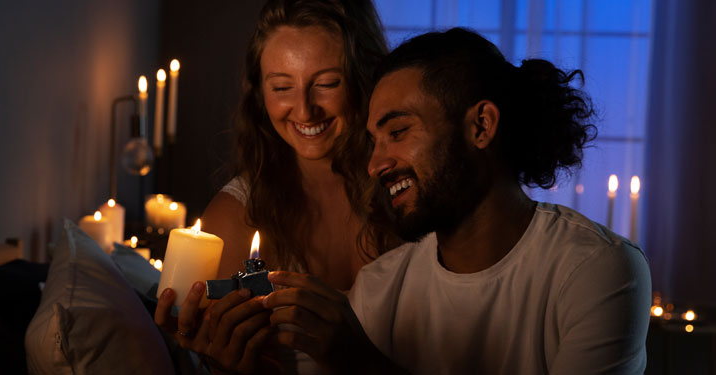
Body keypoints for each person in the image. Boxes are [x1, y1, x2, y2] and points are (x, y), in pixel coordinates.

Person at [261, 27, 652, 374]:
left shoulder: (594, 268)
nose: (376, 165)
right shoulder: (379, 287)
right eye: (373, 142)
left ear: (481, 126)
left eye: (397, 131)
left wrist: (363, 365)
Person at [154, 0, 394, 373]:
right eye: (282, 87)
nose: (304, 109)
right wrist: (224, 364)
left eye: (327, 83)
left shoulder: (409, 195)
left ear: (365, 76)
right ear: (259, 93)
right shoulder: (236, 216)